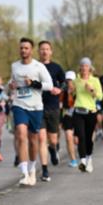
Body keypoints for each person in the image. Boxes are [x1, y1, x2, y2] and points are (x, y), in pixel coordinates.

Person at [9, 38, 52, 187]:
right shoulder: (14, 66)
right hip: (19, 104)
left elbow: (49, 85)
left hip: (35, 107)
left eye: (26, 48)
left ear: (31, 50)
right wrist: (11, 85)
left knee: (34, 140)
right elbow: (12, 82)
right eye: (21, 48)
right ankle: (24, 173)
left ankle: (33, 169)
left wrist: (33, 83)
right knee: (21, 134)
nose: (23, 51)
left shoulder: (38, 67)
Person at [37, 40, 65, 182]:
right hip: (38, 107)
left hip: (53, 107)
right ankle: (45, 170)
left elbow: (66, 83)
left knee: (52, 139)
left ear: (51, 51)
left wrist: (60, 89)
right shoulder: (34, 67)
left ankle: (53, 150)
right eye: (42, 49)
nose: (44, 51)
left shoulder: (56, 68)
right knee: (42, 138)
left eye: (47, 49)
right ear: (38, 51)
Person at [72, 58, 103, 172]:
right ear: (80, 68)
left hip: (91, 112)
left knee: (89, 138)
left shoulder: (95, 80)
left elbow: (100, 97)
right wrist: (70, 89)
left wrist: (91, 90)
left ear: (90, 68)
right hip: (78, 112)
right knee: (81, 136)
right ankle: (83, 161)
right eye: (82, 66)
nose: (84, 68)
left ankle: (89, 159)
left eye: (86, 66)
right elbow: (72, 93)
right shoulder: (76, 80)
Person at [61, 71, 80, 167]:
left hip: (79, 116)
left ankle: (83, 154)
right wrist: (60, 120)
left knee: (77, 140)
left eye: (71, 80)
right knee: (69, 138)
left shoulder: (80, 90)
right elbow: (60, 106)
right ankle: (73, 160)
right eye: (67, 80)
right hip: (67, 116)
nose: (69, 82)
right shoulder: (63, 91)